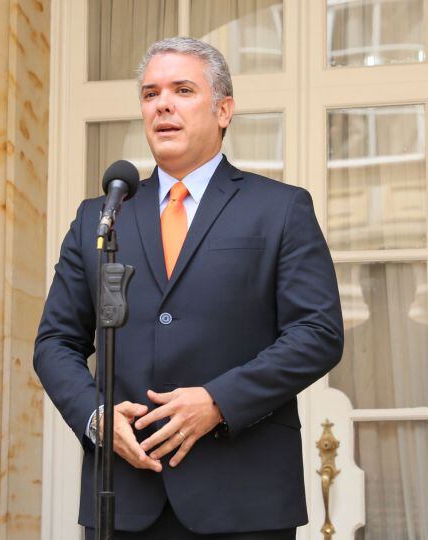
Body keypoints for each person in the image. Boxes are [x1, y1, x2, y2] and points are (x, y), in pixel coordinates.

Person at [34, 37, 344, 539]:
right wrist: (96, 416)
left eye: (182, 90)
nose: (163, 105)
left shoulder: (280, 209)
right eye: (150, 93)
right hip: (126, 497)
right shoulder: (102, 216)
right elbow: (55, 342)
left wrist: (219, 401)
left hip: (244, 498)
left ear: (223, 110)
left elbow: (317, 333)